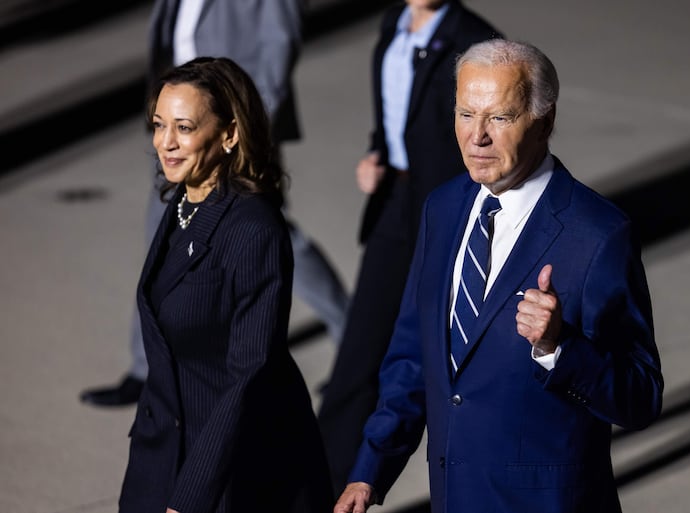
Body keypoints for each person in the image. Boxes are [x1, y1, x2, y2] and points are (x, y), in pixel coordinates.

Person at [333, 39, 664, 513]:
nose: (477, 137)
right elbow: (413, 355)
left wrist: (558, 347)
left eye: (500, 118)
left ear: (544, 121)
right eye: (466, 114)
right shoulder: (443, 208)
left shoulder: (598, 235)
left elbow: (640, 398)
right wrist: (370, 469)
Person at [80, 0, 349, 407]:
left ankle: (352, 338)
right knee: (161, 235)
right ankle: (146, 367)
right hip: (181, 125)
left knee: (272, 233)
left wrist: (251, 132)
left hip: (230, 130)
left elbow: (279, 44)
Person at [117, 57, 333, 513]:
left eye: (184, 127)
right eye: (159, 125)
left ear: (230, 134)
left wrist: (190, 496)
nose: (166, 143)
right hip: (162, 450)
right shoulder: (184, 203)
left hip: (230, 469)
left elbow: (248, 374)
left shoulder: (253, 230)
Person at [317, 0, 501, 495]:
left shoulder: (477, 42)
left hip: (445, 210)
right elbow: (395, 115)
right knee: (361, 346)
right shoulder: (392, 25)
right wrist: (375, 154)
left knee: (444, 357)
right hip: (395, 201)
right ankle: (322, 484)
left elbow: (489, 139)